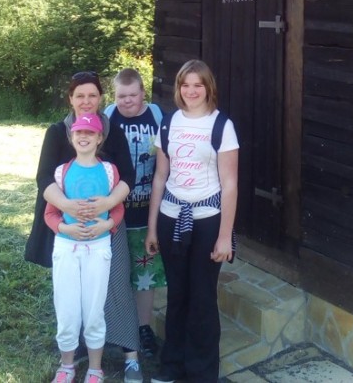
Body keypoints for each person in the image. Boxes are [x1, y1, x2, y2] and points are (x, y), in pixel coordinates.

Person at [24, 71, 144, 383]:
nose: (86, 101)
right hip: (68, 226)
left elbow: (128, 177)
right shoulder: (57, 133)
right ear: (71, 99)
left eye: (92, 95)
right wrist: (67, 208)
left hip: (107, 225)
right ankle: (75, 352)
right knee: (73, 292)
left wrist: (107, 206)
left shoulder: (112, 132)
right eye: (80, 96)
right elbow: (44, 178)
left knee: (117, 284)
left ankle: (130, 355)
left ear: (101, 98)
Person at [145, 60, 239, 383]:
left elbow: (230, 184)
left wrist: (225, 236)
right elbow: (160, 177)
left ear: (208, 87)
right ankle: (172, 366)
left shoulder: (221, 126)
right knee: (177, 295)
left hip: (207, 222)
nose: (191, 91)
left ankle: (201, 373)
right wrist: (152, 227)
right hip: (171, 218)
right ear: (178, 88)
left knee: (202, 298)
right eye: (185, 85)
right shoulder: (169, 123)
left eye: (198, 85)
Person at [44, 112, 124, 383]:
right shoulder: (62, 172)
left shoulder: (109, 172)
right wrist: (66, 229)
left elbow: (118, 208)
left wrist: (108, 225)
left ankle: (95, 368)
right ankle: (67, 366)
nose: (84, 137)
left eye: (90, 133)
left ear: (100, 138)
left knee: (93, 311)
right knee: (67, 309)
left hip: (98, 248)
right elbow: (50, 214)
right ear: (71, 137)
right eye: (79, 132)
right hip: (67, 248)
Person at [104, 69, 166, 358]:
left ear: (143, 93)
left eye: (132, 95)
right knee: (114, 276)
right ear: (114, 96)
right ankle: (113, 327)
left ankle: (143, 327)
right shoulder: (108, 118)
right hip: (114, 216)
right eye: (121, 96)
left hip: (146, 214)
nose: (127, 101)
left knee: (145, 275)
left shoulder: (156, 116)